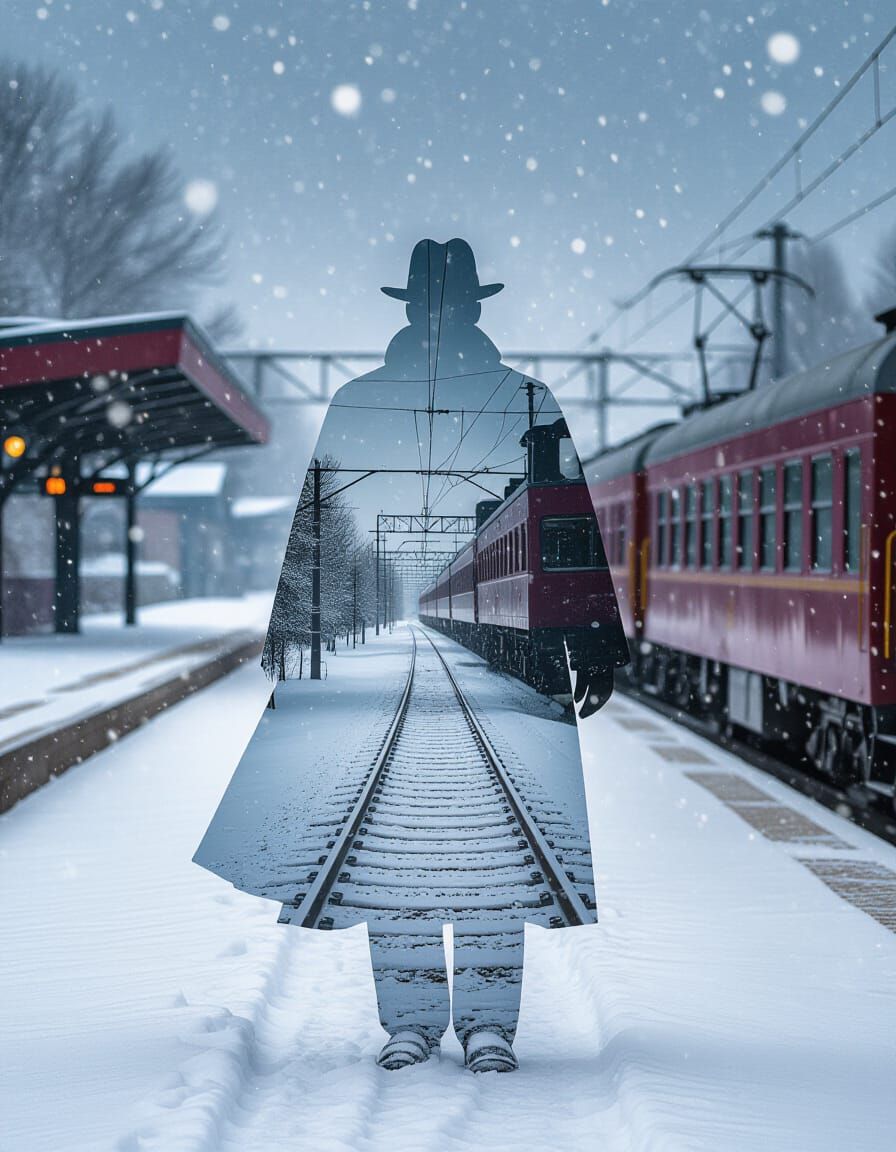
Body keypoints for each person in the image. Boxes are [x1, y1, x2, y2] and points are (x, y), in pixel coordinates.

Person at [194, 238, 628, 1072]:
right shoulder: (523, 399)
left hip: (481, 690)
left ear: (458, 310)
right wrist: (293, 633)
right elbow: (319, 532)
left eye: (447, 305)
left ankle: (439, 1024)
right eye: (436, 304)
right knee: (442, 862)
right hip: (417, 688)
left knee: (494, 858)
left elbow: (570, 527)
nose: (440, 317)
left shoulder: (425, 399)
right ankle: (442, 1023)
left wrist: (291, 632)